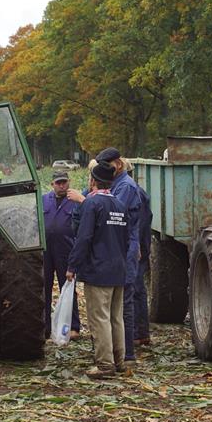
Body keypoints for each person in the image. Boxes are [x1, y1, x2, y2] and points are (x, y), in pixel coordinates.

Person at [66, 161, 130, 378]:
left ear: (93, 181)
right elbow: (126, 240)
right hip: (118, 269)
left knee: (99, 318)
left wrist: (72, 265)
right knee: (116, 318)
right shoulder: (120, 205)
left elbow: (83, 237)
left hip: (98, 270)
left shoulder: (92, 205)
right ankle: (119, 361)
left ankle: (104, 364)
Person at [94, 146, 144, 363]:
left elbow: (112, 213)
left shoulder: (125, 187)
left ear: (119, 164)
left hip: (125, 248)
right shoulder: (117, 184)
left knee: (123, 303)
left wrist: (84, 202)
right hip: (121, 246)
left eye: (108, 166)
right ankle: (118, 352)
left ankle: (127, 352)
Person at [42, 171, 81, 341]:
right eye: (58, 183)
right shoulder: (44, 200)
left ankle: (73, 327)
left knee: (69, 287)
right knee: (44, 288)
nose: (62, 186)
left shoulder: (75, 200)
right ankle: (45, 326)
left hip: (66, 250)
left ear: (69, 182)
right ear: (52, 184)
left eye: (64, 182)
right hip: (46, 251)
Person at [125, 159, 153, 349]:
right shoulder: (136, 190)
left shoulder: (135, 193)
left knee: (135, 288)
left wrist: (138, 248)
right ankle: (141, 332)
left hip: (138, 248)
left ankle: (139, 333)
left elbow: (140, 223)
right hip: (139, 245)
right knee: (137, 288)